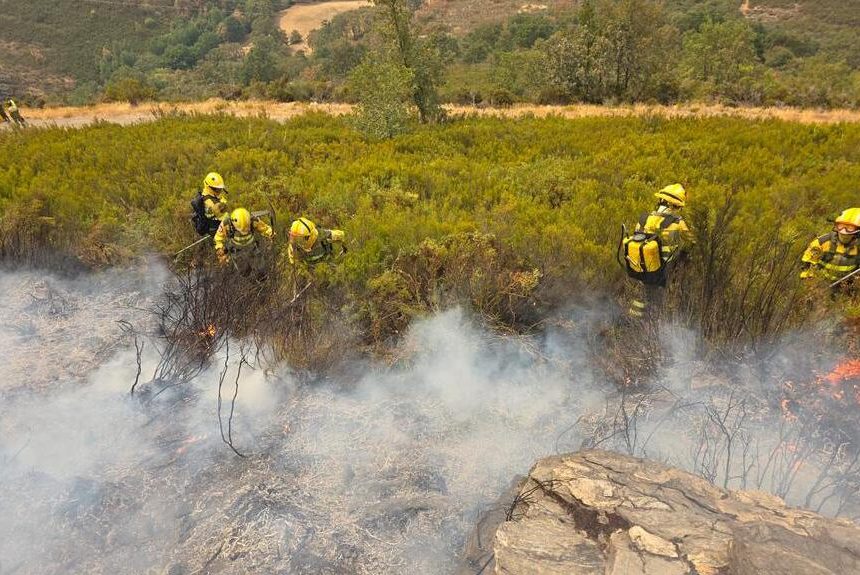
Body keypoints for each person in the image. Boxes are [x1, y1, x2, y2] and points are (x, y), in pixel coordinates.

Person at [622, 184, 693, 319]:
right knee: (671, 297)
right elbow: (692, 241)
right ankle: (665, 324)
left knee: (642, 296)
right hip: (665, 270)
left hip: (643, 267)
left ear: (660, 200)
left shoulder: (643, 219)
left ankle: (633, 323)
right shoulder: (678, 223)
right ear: (672, 205)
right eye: (678, 207)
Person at [801, 208, 860, 285]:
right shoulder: (821, 243)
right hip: (821, 285)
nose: (843, 231)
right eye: (841, 226)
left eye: (850, 228)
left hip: (847, 287)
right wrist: (811, 285)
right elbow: (807, 265)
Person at [214, 208, 274, 273]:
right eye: (242, 229)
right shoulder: (226, 223)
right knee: (243, 270)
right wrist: (220, 248)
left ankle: (261, 276)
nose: (245, 231)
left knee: (260, 266)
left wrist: (271, 233)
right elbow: (218, 237)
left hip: (252, 246)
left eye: (246, 228)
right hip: (236, 249)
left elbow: (264, 228)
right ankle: (246, 273)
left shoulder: (253, 220)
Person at [191, 172, 229, 236]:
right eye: (217, 189)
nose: (220, 190)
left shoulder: (207, 193)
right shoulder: (210, 203)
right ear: (210, 187)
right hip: (216, 230)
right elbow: (226, 219)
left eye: (220, 188)